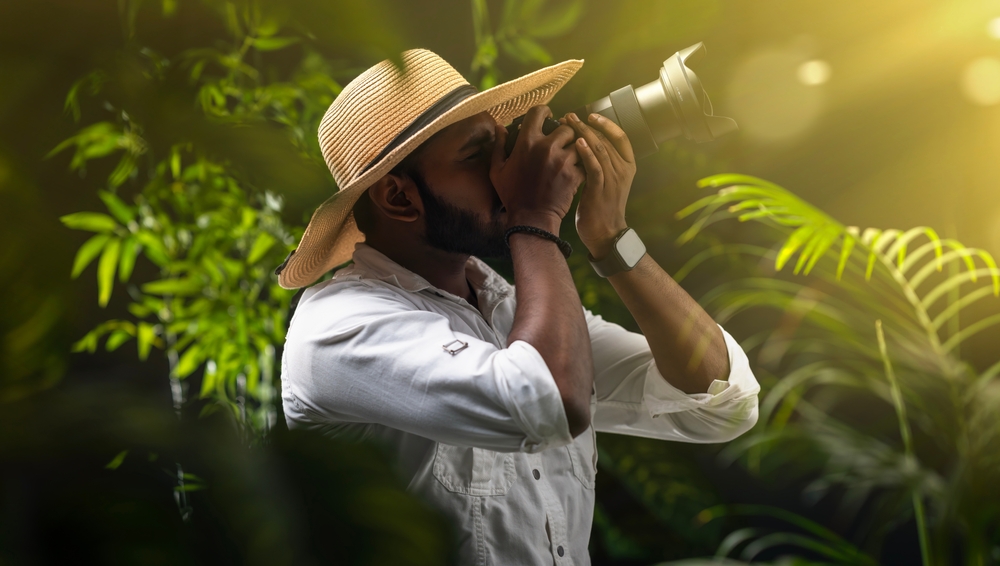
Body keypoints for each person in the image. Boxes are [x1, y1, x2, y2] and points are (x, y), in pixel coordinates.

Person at [277, 49, 759, 565]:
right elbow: (550, 401)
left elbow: (718, 403)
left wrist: (612, 239)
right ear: (399, 198)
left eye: (502, 143)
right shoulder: (338, 326)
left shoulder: (509, 309)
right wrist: (536, 215)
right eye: (476, 155)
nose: (507, 168)